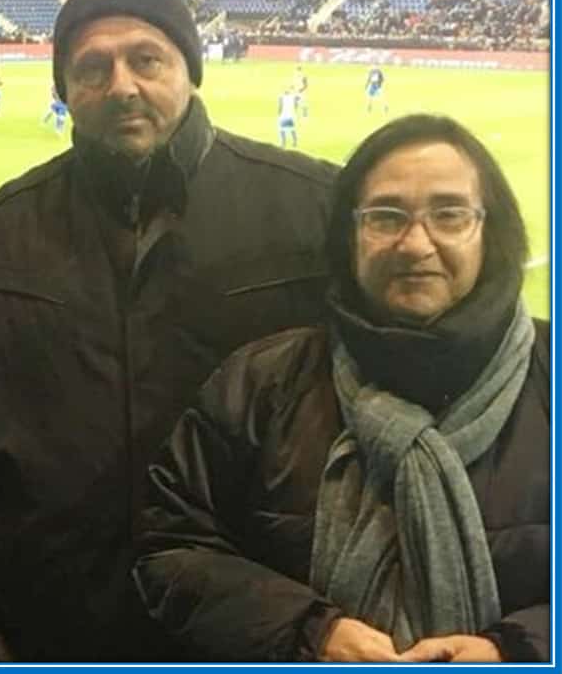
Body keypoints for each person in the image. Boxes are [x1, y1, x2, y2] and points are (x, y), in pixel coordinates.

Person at [0, 0, 338, 662]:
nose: (121, 85)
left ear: (189, 69)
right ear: (65, 88)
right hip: (49, 630)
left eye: (146, 59)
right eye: (91, 67)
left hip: (262, 627)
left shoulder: (309, 210)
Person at [134, 114, 548, 663]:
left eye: (449, 215)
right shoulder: (262, 382)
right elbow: (170, 546)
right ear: (349, 234)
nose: (415, 243)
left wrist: (518, 650)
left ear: (489, 231)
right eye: (385, 216)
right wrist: (308, 633)